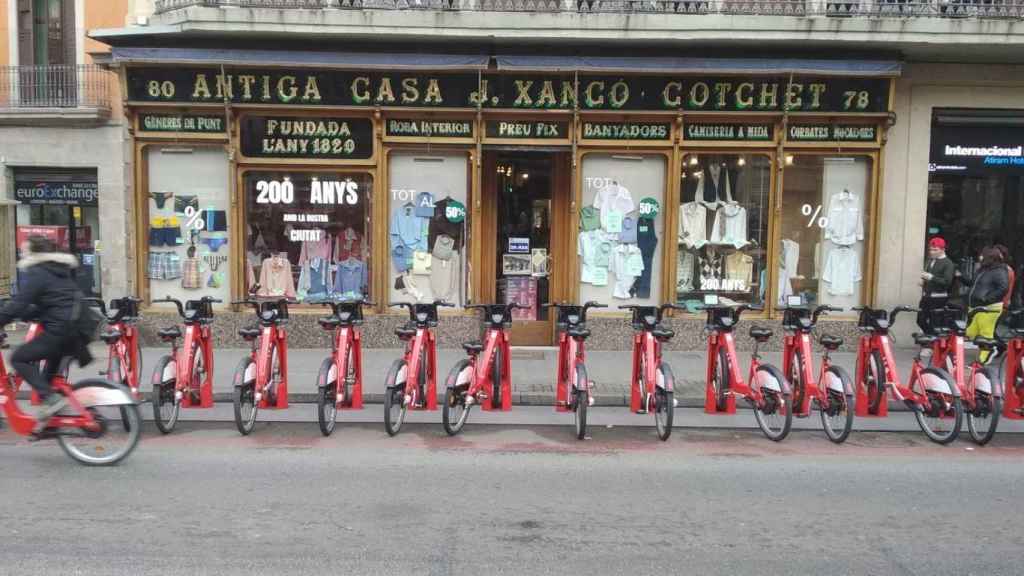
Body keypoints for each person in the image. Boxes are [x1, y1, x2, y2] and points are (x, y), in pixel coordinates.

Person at [0, 236, 83, 432]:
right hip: (73, 331)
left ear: (33, 253)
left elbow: (18, 305)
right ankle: (50, 422)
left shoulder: (39, 273)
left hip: (59, 332)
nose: (22, 253)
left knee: (18, 358)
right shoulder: (58, 270)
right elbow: (51, 302)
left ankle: (51, 400)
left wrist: (5, 317)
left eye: (24, 250)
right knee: (47, 380)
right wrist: (28, 314)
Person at [965, 246, 1010, 364]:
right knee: (971, 332)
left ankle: (983, 358)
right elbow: (974, 284)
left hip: (989, 308)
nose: (979, 257)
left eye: (982, 255)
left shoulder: (1000, 270)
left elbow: (1003, 288)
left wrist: (986, 299)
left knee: (986, 334)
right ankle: (991, 348)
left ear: (989, 257)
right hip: (977, 307)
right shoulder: (983, 269)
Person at [917, 237, 956, 334]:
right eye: (930, 249)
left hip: (938, 298)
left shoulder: (948, 263)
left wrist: (931, 277)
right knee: (920, 320)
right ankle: (929, 339)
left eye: (935, 250)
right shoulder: (930, 260)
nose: (932, 252)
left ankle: (931, 343)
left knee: (934, 322)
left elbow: (947, 282)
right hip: (926, 296)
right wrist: (924, 281)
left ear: (943, 250)